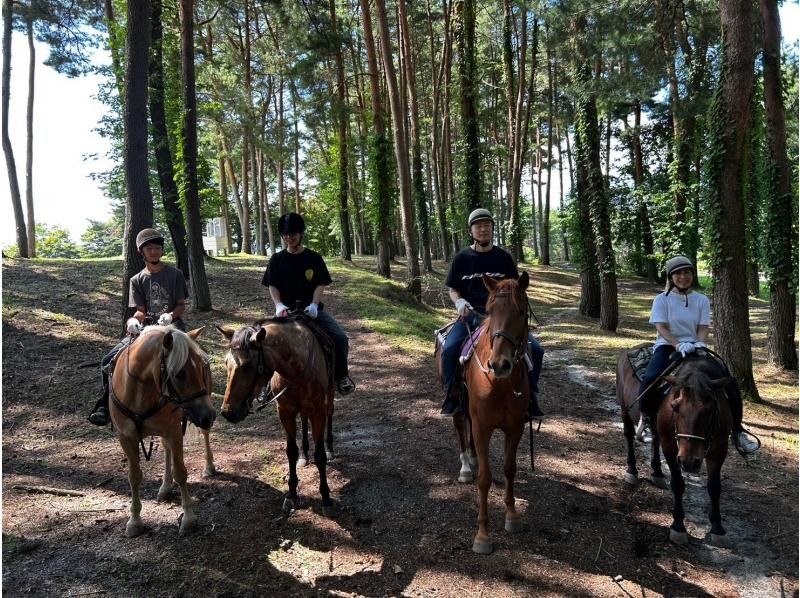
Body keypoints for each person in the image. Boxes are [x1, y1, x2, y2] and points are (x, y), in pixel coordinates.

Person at [637, 255, 759, 454]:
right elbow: (662, 328)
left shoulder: (701, 299)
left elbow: (703, 327)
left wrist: (699, 342)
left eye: (687, 272)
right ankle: (646, 419)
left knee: (729, 383)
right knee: (650, 378)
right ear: (671, 276)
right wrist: (678, 345)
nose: (683, 277)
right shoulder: (661, 300)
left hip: (695, 347)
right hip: (668, 345)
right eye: (678, 273)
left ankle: (737, 431)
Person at [440, 208, 544, 419]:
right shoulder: (461, 258)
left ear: (492, 229)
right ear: (471, 231)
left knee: (537, 350)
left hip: (500, 319)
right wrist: (459, 302)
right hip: (471, 316)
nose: (483, 229)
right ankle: (453, 394)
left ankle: (530, 395)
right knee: (450, 348)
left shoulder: (504, 257)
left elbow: (516, 287)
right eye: (478, 226)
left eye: (487, 225)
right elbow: (453, 288)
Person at [89, 228, 189, 425]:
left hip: (173, 328)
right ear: (141, 252)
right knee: (108, 360)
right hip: (147, 331)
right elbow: (141, 310)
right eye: (149, 248)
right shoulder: (136, 280)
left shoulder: (174, 274)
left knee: (196, 359)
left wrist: (170, 315)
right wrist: (133, 321)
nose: (154, 252)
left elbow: (181, 305)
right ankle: (105, 406)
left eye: (157, 248)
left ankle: (195, 403)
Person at [263, 212, 355, 395]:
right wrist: (278, 305)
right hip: (285, 313)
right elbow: (272, 285)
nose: (289, 238)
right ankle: (267, 386)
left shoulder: (314, 258)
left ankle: (341, 376)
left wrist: (314, 304)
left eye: (293, 234)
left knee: (340, 338)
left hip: (310, 311)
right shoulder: (276, 260)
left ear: (301, 234)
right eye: (286, 234)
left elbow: (320, 283)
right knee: (264, 344)